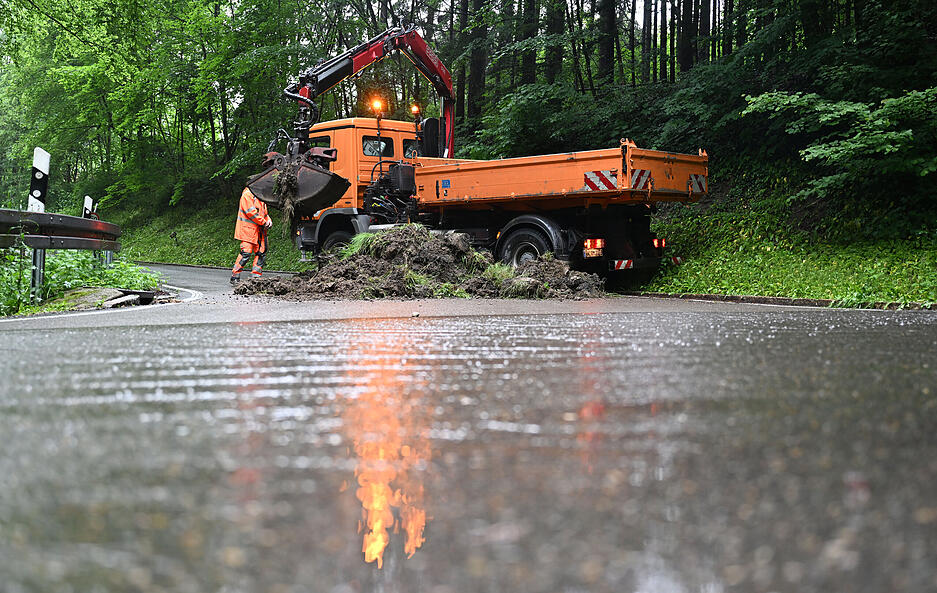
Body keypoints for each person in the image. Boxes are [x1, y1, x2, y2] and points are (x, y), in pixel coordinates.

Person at [231, 186, 272, 284]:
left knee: (261, 253)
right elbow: (251, 212)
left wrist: (268, 220)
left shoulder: (259, 196)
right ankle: (235, 276)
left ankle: (256, 278)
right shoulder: (247, 195)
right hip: (248, 231)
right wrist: (264, 222)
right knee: (246, 253)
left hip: (259, 231)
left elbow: (264, 213)